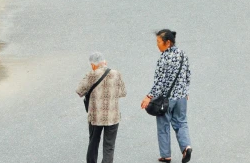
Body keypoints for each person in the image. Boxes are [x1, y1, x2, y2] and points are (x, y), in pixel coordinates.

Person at [140, 29, 193, 163]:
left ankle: (166, 155)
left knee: (163, 125)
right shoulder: (182, 54)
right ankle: (186, 147)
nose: (157, 44)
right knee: (181, 122)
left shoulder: (163, 58)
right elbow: (188, 75)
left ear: (167, 42)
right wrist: (186, 91)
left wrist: (149, 96)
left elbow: (159, 82)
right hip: (181, 97)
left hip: (166, 99)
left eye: (158, 42)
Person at [76, 52, 127, 163]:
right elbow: (123, 92)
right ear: (105, 62)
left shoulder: (91, 74)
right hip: (113, 117)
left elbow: (79, 91)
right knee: (109, 146)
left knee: (93, 143)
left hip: (96, 117)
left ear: (93, 65)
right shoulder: (116, 73)